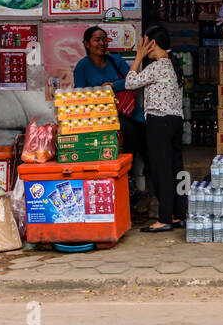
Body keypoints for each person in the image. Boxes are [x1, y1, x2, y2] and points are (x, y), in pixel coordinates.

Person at [71, 26, 148, 201]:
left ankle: (141, 189)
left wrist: (113, 86)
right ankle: (125, 182)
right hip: (102, 116)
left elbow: (132, 80)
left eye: (104, 39)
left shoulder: (115, 60)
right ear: (86, 44)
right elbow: (81, 95)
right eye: (97, 40)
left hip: (129, 112)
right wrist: (101, 92)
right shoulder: (82, 66)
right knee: (128, 132)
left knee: (143, 137)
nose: (102, 43)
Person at [123, 24, 186, 233]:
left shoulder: (157, 66)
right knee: (175, 168)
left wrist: (138, 57)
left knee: (161, 171)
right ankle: (179, 215)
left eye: (144, 42)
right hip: (176, 121)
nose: (141, 46)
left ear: (152, 44)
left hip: (159, 122)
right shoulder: (173, 65)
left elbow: (130, 82)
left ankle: (165, 218)